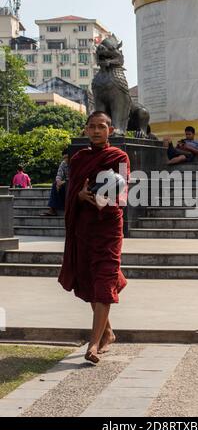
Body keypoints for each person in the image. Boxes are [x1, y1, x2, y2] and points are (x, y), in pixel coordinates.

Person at [58, 111, 130, 365]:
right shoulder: (78, 159)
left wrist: (102, 199)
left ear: (110, 130)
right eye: (92, 127)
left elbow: (123, 193)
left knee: (104, 280)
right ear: (86, 130)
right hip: (84, 228)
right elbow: (71, 192)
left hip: (108, 227)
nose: (97, 131)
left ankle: (94, 344)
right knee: (90, 281)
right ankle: (107, 333)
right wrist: (79, 196)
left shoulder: (119, 157)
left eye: (102, 127)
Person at [41, 149, 70, 217]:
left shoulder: (76, 162)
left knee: (64, 184)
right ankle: (52, 209)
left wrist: (63, 182)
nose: (66, 159)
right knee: (55, 184)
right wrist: (58, 182)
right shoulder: (63, 163)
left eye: (67, 157)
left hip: (74, 184)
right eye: (64, 158)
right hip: (66, 185)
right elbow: (59, 174)